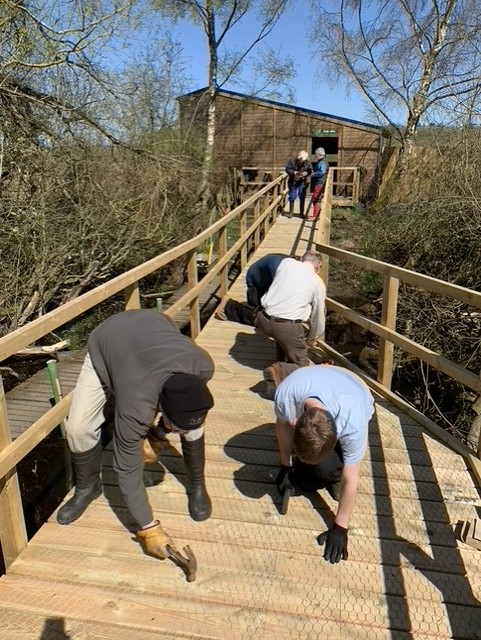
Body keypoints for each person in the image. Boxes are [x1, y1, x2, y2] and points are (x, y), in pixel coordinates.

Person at [56, 309, 215, 561]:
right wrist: (149, 529)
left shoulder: (203, 365)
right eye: (172, 427)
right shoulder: (137, 406)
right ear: (158, 406)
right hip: (108, 341)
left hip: (154, 326)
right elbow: (126, 467)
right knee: (78, 428)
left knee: (194, 428)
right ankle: (88, 487)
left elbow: (188, 405)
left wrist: (161, 431)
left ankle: (197, 485)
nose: (174, 432)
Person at [272, 363, 374, 564]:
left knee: (325, 470)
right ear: (296, 422)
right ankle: (311, 466)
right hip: (319, 377)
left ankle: (332, 472)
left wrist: (340, 528)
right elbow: (282, 425)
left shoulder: (353, 422)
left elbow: (351, 478)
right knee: (303, 478)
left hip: (355, 387)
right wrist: (285, 466)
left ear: (337, 436)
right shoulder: (286, 395)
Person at [255, 250, 326, 383]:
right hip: (285, 328)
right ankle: (278, 370)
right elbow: (318, 317)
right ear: (318, 266)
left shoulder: (286, 264)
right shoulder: (317, 282)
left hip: (263, 319)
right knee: (302, 365)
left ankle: (281, 364)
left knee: (284, 332)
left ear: (301, 259)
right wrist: (312, 338)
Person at [215, 253, 288, 325]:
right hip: (257, 286)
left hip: (266, 282)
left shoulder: (288, 265)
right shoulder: (278, 267)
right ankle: (227, 307)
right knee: (270, 320)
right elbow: (282, 290)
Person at [285, 150, 312, 218]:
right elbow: (287, 169)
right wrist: (293, 172)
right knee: (292, 196)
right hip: (293, 181)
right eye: (301, 160)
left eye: (303, 161)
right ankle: (291, 213)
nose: (302, 162)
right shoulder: (292, 161)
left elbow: (310, 169)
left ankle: (301, 213)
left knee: (302, 196)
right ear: (298, 158)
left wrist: (306, 173)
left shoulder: (307, 162)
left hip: (302, 181)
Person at [309, 147, 329, 221]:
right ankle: (316, 215)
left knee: (316, 198)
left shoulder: (322, 162)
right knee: (317, 198)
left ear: (319, 155)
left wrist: (313, 174)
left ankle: (315, 216)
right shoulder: (323, 162)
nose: (315, 156)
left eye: (316, 155)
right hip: (320, 182)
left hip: (320, 182)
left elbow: (322, 172)